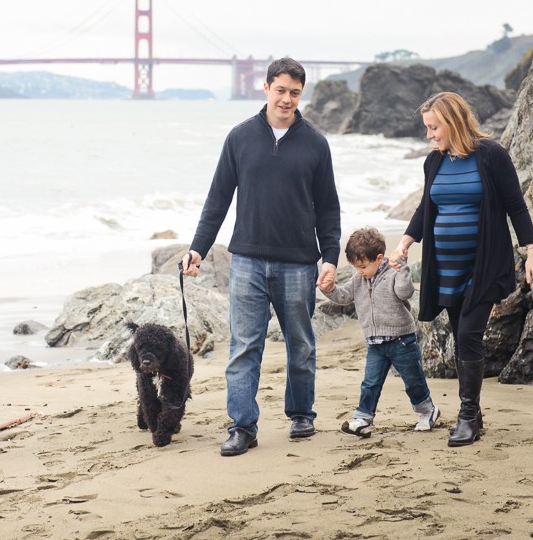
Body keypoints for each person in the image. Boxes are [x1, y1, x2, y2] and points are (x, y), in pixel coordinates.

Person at [181, 57, 341, 457]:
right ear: (266, 87)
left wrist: (330, 257)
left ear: (301, 95)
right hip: (247, 262)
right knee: (243, 348)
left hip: (298, 263)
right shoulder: (240, 138)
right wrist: (197, 248)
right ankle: (242, 426)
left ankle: (302, 414)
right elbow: (217, 199)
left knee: (300, 345)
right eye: (281, 90)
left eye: (295, 93)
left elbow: (328, 209)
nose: (286, 99)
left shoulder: (316, 143)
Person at [390, 91, 533, 447]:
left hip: (484, 265)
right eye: (427, 128)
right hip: (445, 268)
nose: (429, 135)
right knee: (461, 337)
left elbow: (516, 208)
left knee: (470, 335)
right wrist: (404, 243)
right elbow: (425, 209)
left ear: (453, 121)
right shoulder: (434, 162)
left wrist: (531, 253)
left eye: (434, 128)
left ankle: (468, 415)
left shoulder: (491, 155)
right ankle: (473, 409)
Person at [319, 227, 440, 438]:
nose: (360, 271)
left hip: (402, 340)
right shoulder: (359, 279)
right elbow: (344, 296)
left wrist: (402, 269)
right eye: (356, 267)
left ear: (379, 258)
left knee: (413, 381)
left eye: (363, 266)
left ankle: (427, 411)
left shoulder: (393, 273)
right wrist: (328, 289)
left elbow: (406, 292)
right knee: (370, 382)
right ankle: (363, 418)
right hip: (375, 343)